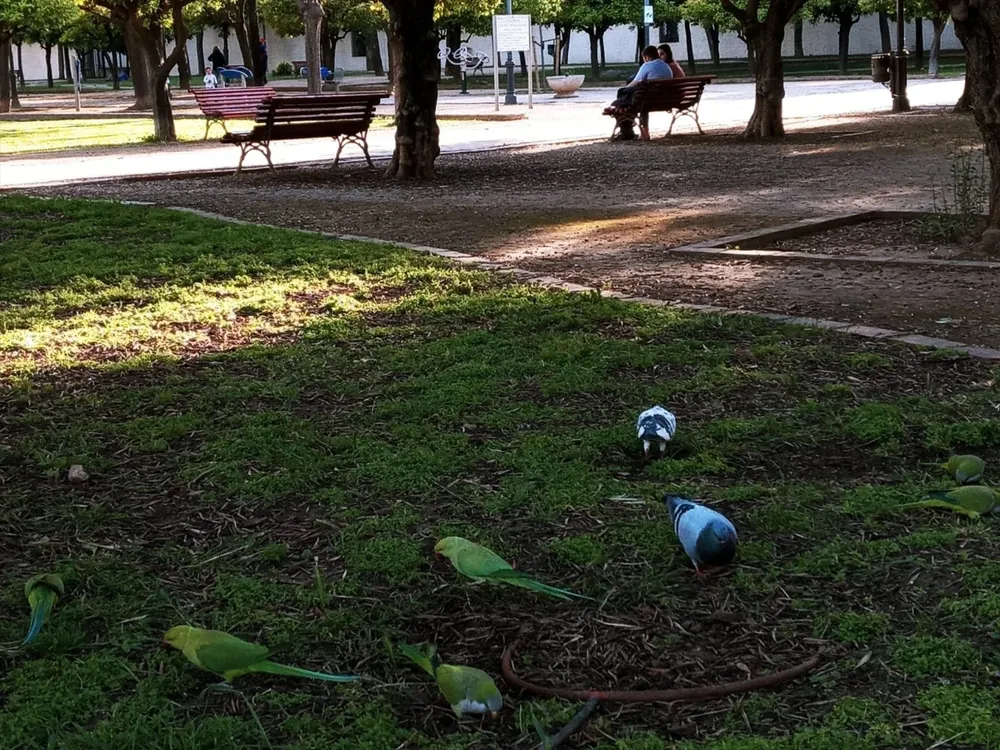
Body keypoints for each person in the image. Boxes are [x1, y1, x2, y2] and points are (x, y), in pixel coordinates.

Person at [610, 45, 672, 140]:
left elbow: (634, 83)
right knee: (627, 103)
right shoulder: (666, 66)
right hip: (665, 100)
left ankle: (627, 132)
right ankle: (629, 129)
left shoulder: (647, 66)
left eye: (644, 58)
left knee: (618, 103)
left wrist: (624, 90)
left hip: (647, 101)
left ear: (647, 57)